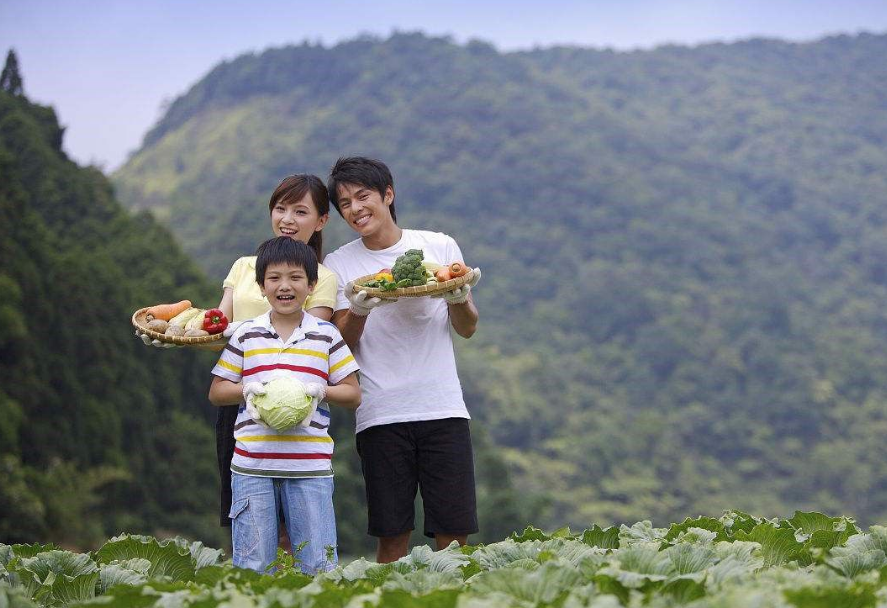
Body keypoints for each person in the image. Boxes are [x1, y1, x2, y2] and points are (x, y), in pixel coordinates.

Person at [138, 174, 337, 531]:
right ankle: (250, 586)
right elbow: (220, 331)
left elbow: (312, 344)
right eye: (280, 209)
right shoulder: (245, 266)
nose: (288, 219)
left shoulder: (322, 277)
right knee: (246, 517)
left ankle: (297, 586)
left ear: (321, 220)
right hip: (238, 399)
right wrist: (178, 334)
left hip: (293, 405)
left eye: (300, 211)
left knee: (297, 525)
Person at [322, 157, 482, 563]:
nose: (355, 209)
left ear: (387, 195)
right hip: (380, 413)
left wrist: (458, 297)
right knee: (392, 536)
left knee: (453, 535)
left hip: (443, 408)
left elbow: (466, 327)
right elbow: (339, 344)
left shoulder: (438, 246)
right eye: (345, 203)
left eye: (363, 196)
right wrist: (359, 307)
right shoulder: (341, 264)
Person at [208, 236, 361, 574]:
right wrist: (246, 388)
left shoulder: (326, 335)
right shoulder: (246, 334)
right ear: (261, 286)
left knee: (318, 566)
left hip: (310, 469)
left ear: (311, 284)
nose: (285, 286)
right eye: (274, 278)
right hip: (251, 467)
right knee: (253, 567)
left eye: (295, 277)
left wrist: (321, 390)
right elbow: (217, 391)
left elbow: (352, 393)